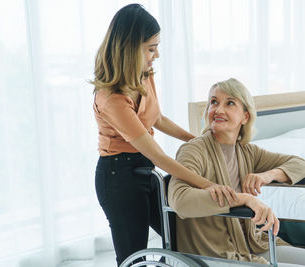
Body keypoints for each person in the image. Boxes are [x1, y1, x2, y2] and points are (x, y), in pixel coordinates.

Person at [91, 4, 237, 266]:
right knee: (133, 258)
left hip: (145, 170)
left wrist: (197, 140)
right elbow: (158, 155)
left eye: (156, 46)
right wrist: (208, 185)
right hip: (118, 178)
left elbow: (156, 118)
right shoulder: (111, 98)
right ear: (129, 48)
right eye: (150, 48)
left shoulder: (143, 74)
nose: (156, 54)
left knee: (181, 234)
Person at [168, 78, 305, 267]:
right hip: (216, 252)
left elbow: (302, 165)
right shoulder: (194, 150)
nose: (218, 110)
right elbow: (180, 200)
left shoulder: (247, 152)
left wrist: (266, 176)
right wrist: (244, 199)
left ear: (245, 116)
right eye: (213, 102)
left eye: (229, 103)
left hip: (253, 243)